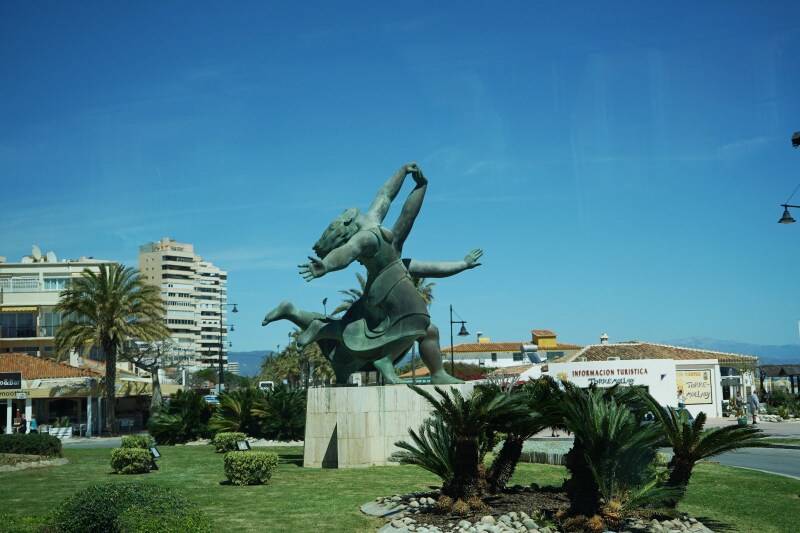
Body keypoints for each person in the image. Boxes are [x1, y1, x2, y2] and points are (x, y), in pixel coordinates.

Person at [263, 163, 483, 385]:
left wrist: (409, 176)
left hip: (386, 288)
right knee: (418, 318)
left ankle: (437, 373)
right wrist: (327, 265)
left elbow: (390, 198)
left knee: (429, 330)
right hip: (385, 290)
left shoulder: (376, 224)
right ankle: (383, 359)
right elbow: (346, 253)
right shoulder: (365, 237)